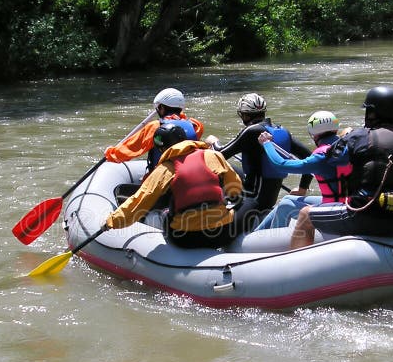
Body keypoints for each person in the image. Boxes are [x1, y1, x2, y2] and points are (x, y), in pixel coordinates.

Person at [289, 86, 393, 248]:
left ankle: (293, 269)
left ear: (372, 113)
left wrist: (345, 138)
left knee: (305, 215)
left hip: (361, 217)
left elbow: (333, 158)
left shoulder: (359, 137)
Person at [104, 122, 243, 249]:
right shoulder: (213, 156)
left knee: (162, 215)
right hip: (223, 233)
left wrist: (112, 221)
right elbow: (235, 187)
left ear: (162, 148)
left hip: (186, 238)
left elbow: (141, 200)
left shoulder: (165, 169)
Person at [206, 93, 312, 230]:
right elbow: (309, 158)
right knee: (231, 168)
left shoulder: (251, 131)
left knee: (218, 170)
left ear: (245, 115)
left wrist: (214, 142)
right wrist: (302, 188)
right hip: (269, 199)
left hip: (252, 199)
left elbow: (219, 155)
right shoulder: (282, 131)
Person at [254, 110, 351, 230]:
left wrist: (267, 143)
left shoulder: (321, 157)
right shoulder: (347, 146)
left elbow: (280, 164)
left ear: (314, 134)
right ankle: (257, 233)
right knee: (288, 198)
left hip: (337, 211)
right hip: (343, 204)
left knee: (285, 205)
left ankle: (269, 243)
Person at [104, 87, 204, 174]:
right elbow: (179, 124)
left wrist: (110, 153)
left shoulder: (155, 127)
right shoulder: (195, 125)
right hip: (187, 176)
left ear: (161, 108)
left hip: (161, 177)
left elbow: (130, 150)